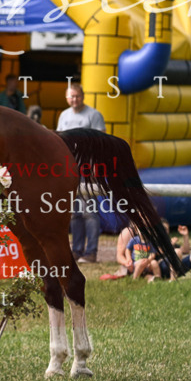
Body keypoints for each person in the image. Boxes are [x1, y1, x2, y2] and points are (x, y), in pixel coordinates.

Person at [57, 82, 106, 263]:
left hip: (88, 169)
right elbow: (60, 141)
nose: (74, 100)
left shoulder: (94, 115)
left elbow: (101, 142)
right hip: (69, 169)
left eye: (77, 96)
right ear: (66, 98)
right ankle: (76, 250)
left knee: (89, 212)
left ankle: (91, 252)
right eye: (71, 96)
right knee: (75, 213)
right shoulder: (64, 115)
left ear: (83, 96)